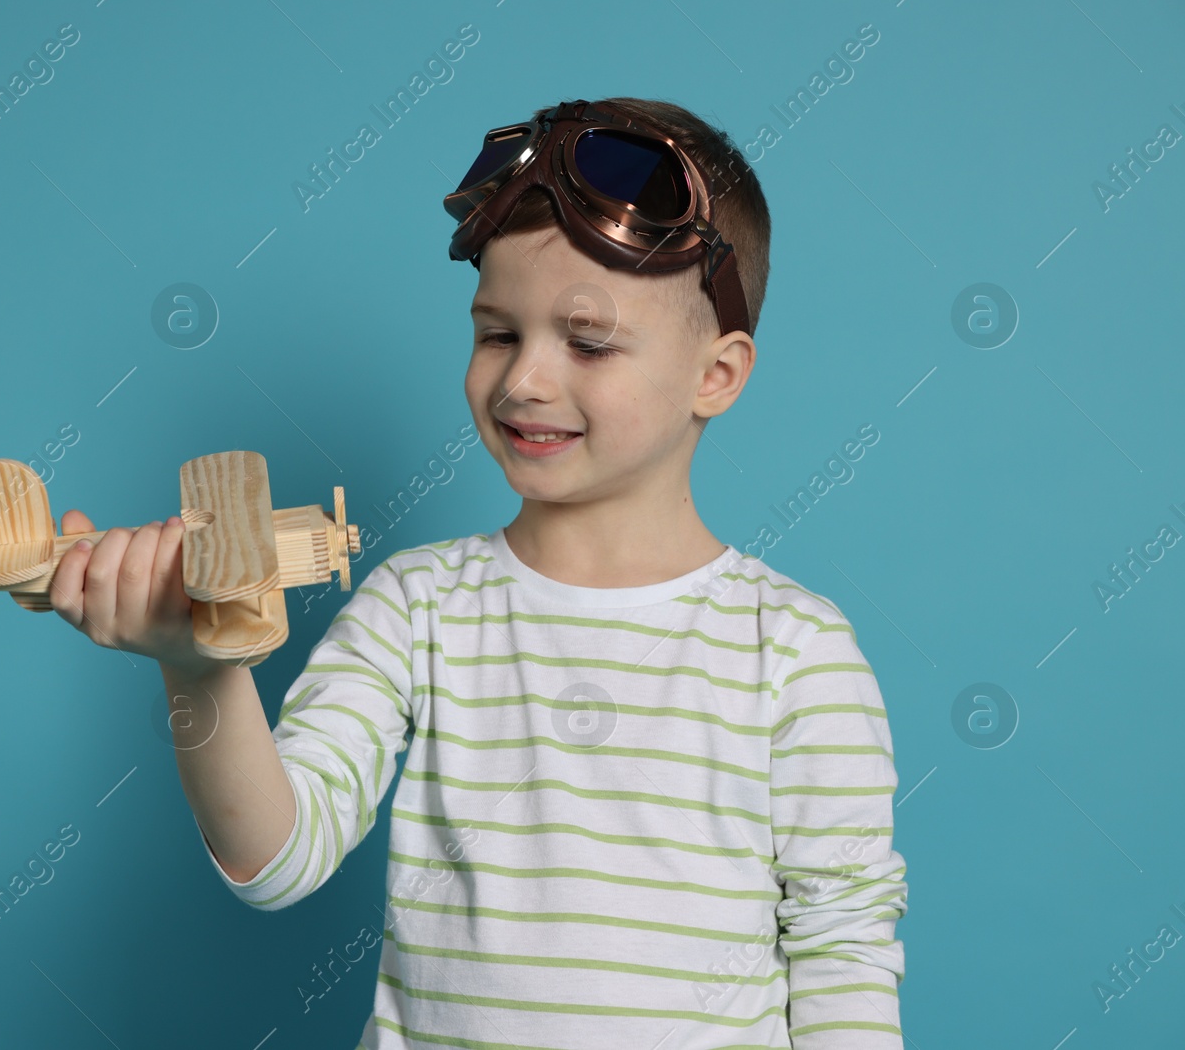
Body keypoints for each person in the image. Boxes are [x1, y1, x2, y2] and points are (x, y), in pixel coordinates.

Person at [48, 95, 908, 1050]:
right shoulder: (419, 608)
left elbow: (844, 950)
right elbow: (275, 857)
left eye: (586, 342)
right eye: (498, 332)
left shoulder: (794, 649)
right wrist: (198, 665)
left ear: (717, 372)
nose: (523, 380)